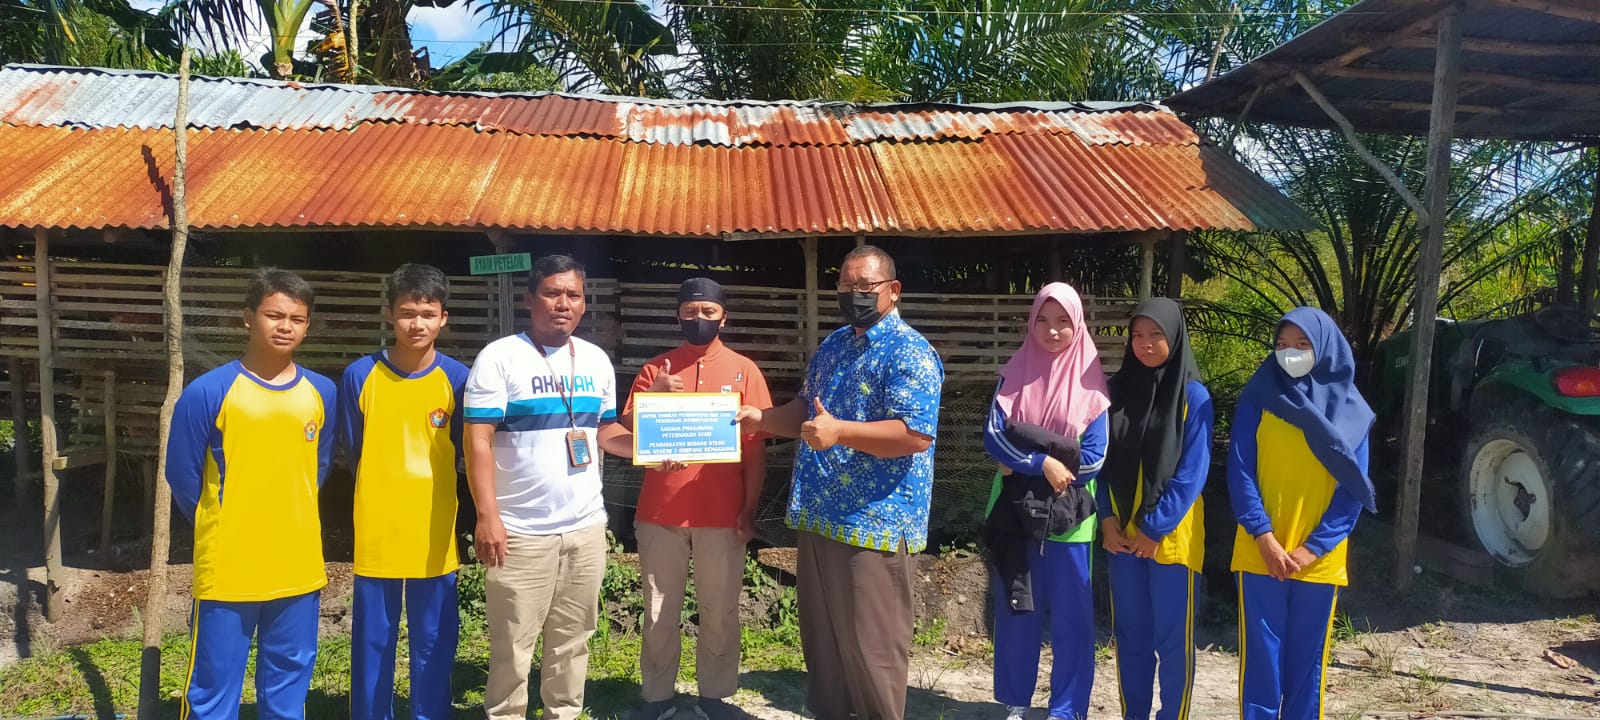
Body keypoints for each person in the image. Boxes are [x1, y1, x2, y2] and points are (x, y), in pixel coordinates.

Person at [735, 245, 943, 720]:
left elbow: (914, 435)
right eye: (846, 285)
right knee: (826, 648)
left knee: (872, 652)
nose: (854, 294)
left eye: (865, 286)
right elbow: (807, 411)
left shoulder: (910, 352)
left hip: (876, 523)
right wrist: (762, 420)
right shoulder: (833, 345)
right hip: (821, 516)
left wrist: (841, 432)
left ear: (893, 290)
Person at [465, 254, 666, 720]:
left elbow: (605, 431)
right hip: (521, 531)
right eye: (552, 293)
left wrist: (649, 451)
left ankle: (564, 713)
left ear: (583, 303)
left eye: (573, 295)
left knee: (573, 640)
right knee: (512, 646)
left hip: (585, 528)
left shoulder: (595, 360)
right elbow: (477, 440)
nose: (563, 303)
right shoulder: (499, 357)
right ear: (529, 299)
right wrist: (488, 516)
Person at [166, 268, 336, 720]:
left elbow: (317, 470)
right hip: (229, 568)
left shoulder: (322, 393)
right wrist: (225, 522)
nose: (285, 327)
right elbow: (183, 477)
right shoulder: (208, 392)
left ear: (307, 326)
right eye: (274, 315)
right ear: (248, 317)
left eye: (297, 319)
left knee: (288, 687)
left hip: (298, 566)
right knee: (213, 691)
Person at [621, 277, 773, 720]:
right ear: (678, 316)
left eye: (708, 312)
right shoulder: (656, 370)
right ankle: (657, 699)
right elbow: (628, 429)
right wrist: (654, 396)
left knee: (721, 609)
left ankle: (715, 698)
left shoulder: (746, 371)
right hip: (660, 512)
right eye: (690, 311)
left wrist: (749, 509)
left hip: (723, 514)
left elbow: (755, 450)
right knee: (658, 610)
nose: (699, 319)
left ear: (724, 317)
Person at [1229, 306, 1375, 720]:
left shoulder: (1353, 412)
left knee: (1306, 671)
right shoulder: (1259, 397)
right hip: (1260, 552)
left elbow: (1354, 490)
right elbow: (1240, 469)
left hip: (1318, 561)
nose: (1290, 352)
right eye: (1281, 344)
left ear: (1325, 347)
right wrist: (1263, 535)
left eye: (1302, 344)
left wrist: (1314, 547)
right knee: (1261, 664)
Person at [338, 264, 469, 720]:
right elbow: (355, 448)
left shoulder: (458, 379)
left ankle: (429, 713)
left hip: (435, 532)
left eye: (428, 314)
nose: (417, 324)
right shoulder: (360, 376)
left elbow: (462, 450)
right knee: (373, 639)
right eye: (408, 313)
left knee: (434, 638)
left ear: (443, 318)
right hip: (378, 531)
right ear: (389, 314)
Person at [980, 281, 1109, 720]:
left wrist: (1024, 458)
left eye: (1063, 322)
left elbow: (1094, 460)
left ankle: (1067, 708)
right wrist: (1046, 463)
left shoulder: (1092, 384)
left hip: (1070, 520)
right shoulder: (1013, 374)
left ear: (1078, 326)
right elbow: (993, 438)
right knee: (1018, 607)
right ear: (1031, 323)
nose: (1052, 331)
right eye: (1043, 321)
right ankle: (1016, 700)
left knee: (1073, 618)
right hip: (1014, 515)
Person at [1100, 298, 1213, 720]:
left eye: (1156, 335)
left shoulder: (1194, 398)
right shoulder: (1115, 393)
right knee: (1131, 636)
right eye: (1137, 335)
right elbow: (1100, 463)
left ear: (1176, 337)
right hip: (1121, 537)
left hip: (1171, 540)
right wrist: (1107, 520)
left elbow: (1192, 473)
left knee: (1173, 640)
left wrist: (1154, 529)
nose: (1145, 343)